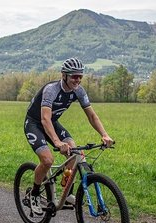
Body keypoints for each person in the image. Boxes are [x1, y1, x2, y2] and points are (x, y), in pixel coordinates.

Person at [24, 57, 114, 215]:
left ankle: (66, 192)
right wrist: (57, 142)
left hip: (53, 123)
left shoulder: (79, 90)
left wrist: (104, 135)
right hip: (35, 124)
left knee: (75, 153)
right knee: (47, 160)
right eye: (74, 76)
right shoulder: (51, 90)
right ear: (64, 75)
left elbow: (92, 116)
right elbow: (45, 119)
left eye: (80, 76)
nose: (77, 79)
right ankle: (35, 194)